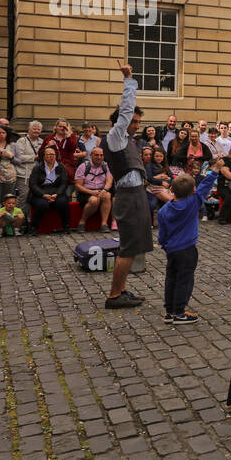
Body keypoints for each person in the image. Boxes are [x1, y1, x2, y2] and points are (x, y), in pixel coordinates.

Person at [102, 63, 159, 310]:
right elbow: (125, 110)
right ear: (120, 122)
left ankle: (121, 290)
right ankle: (114, 295)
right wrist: (129, 80)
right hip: (127, 196)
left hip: (136, 194)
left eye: (137, 121)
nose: (136, 125)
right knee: (127, 248)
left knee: (135, 246)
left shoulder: (126, 141)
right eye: (134, 121)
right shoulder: (115, 136)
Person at [157, 159, 221, 325]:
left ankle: (169, 311)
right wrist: (215, 169)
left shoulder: (164, 210)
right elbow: (205, 185)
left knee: (171, 277)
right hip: (187, 249)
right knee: (184, 279)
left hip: (171, 250)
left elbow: (162, 234)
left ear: (171, 189)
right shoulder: (194, 202)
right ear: (193, 190)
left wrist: (164, 245)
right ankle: (179, 312)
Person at [28, 146, 70, 232]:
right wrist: (43, 195)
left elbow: (64, 183)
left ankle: (66, 225)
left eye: (53, 154)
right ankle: (33, 227)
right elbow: (33, 184)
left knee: (62, 202)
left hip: (56, 192)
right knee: (42, 204)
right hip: (40, 193)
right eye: (48, 154)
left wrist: (57, 194)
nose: (51, 156)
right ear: (43, 157)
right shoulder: (37, 168)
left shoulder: (60, 167)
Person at [74, 146, 114, 231]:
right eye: (96, 155)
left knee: (107, 195)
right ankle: (82, 222)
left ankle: (104, 224)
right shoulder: (83, 166)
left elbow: (109, 181)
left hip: (101, 190)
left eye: (101, 155)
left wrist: (105, 190)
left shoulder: (106, 166)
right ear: (91, 156)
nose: (99, 157)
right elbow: (78, 185)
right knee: (94, 200)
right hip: (86, 192)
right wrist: (90, 192)